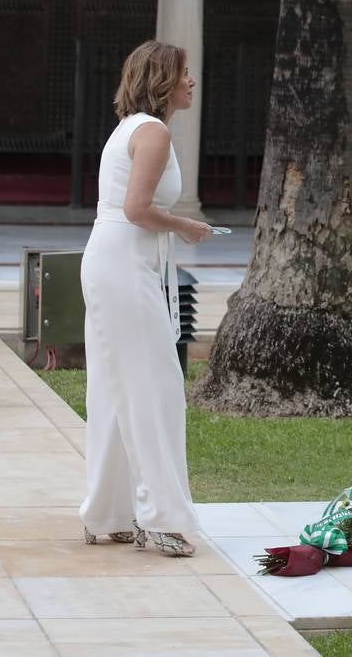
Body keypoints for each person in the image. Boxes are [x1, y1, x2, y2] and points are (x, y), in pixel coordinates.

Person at [79, 39, 212, 557]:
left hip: (120, 260)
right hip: (121, 264)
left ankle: (109, 512)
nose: (191, 82)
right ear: (163, 81)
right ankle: (155, 516)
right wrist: (185, 227)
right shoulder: (151, 131)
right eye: (184, 74)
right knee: (154, 387)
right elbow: (136, 208)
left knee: (118, 390)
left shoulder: (133, 128)